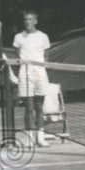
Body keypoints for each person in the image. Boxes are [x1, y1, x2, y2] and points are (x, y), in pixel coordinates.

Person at [13, 10, 51, 147]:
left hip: (40, 73)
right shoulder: (18, 37)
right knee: (28, 107)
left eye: (30, 19)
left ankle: (40, 138)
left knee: (39, 106)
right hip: (25, 73)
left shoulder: (43, 36)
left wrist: (41, 67)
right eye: (25, 19)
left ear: (35, 21)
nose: (27, 22)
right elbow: (17, 55)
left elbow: (46, 55)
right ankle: (29, 138)